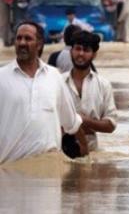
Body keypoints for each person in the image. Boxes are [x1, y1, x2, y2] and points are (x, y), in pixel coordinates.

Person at [0, 21, 88, 164]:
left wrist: (86, 158)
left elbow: (72, 122)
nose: (22, 42)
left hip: (49, 173)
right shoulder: (2, 78)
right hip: (10, 173)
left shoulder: (54, 77)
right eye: (19, 38)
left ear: (39, 44)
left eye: (28, 38)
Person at [63, 31, 117, 151]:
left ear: (94, 54)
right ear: (71, 51)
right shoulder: (58, 82)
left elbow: (111, 125)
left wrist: (84, 121)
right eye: (77, 49)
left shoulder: (103, 85)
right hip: (59, 150)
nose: (81, 54)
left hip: (91, 152)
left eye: (86, 50)